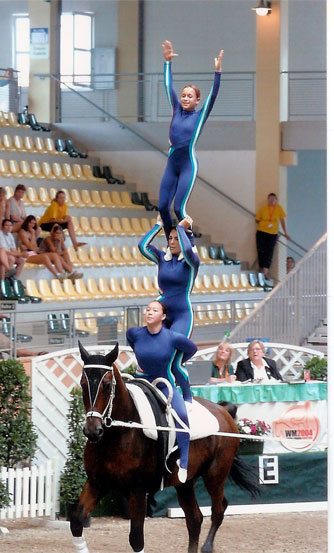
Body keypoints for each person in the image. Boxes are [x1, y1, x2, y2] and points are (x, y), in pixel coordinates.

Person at [126, 300, 197, 483]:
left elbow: (192, 349)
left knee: (181, 415)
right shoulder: (134, 333)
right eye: (148, 309)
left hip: (164, 383)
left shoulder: (173, 338)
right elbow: (133, 344)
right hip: (140, 381)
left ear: (163, 316)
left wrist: (176, 361)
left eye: (154, 310)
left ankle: (184, 462)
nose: (149, 312)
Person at [159, 40, 223, 239]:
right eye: (183, 95)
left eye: (190, 96)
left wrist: (217, 73)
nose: (185, 98)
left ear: (197, 100)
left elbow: (213, 96)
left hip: (187, 165)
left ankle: (189, 242)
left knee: (179, 208)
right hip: (172, 164)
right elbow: (168, 86)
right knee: (162, 207)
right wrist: (167, 63)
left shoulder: (200, 115)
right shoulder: (176, 109)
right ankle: (171, 242)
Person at [139, 214, 199, 400]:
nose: (172, 242)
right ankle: (157, 393)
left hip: (182, 315)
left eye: (176, 239)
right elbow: (143, 246)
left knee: (174, 362)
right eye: (170, 238)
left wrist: (182, 228)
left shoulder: (191, 263)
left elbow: (189, 251)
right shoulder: (162, 258)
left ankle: (187, 398)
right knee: (156, 354)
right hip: (162, 314)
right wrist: (158, 225)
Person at [18, 216, 68, 280]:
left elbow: (34, 246)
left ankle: (62, 273)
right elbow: (30, 247)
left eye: (33, 223)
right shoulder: (22, 232)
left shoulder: (31, 232)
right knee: (45, 257)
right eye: (30, 223)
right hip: (26, 255)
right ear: (26, 223)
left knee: (54, 255)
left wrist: (33, 245)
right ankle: (57, 275)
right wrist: (33, 234)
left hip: (33, 253)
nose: (32, 225)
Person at [255, 193, 290, 277]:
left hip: (272, 234)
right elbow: (257, 220)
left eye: (274, 199)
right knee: (261, 250)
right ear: (268, 200)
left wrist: (285, 233)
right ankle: (261, 267)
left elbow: (282, 221)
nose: (272, 200)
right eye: (270, 198)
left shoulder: (279, 208)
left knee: (269, 252)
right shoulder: (263, 209)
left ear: (276, 200)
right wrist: (265, 224)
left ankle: (265, 270)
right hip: (261, 232)